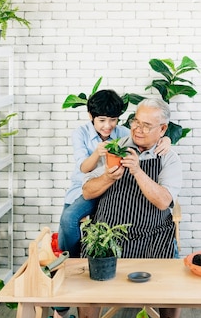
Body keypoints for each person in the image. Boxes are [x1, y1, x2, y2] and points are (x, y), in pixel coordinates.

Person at [80, 97, 182, 318]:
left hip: (152, 235)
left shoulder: (169, 158)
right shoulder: (115, 148)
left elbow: (163, 201)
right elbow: (87, 191)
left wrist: (136, 171)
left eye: (147, 125)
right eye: (136, 121)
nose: (137, 128)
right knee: (86, 277)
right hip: (108, 235)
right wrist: (107, 178)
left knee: (173, 275)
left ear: (163, 130)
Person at [58, 89, 170, 258]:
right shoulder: (81, 133)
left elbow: (144, 141)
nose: (108, 125)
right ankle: (72, 261)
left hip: (112, 188)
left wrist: (166, 139)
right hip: (86, 188)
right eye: (102, 120)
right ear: (91, 116)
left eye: (113, 120)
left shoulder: (123, 133)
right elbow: (84, 168)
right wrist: (97, 152)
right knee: (68, 220)